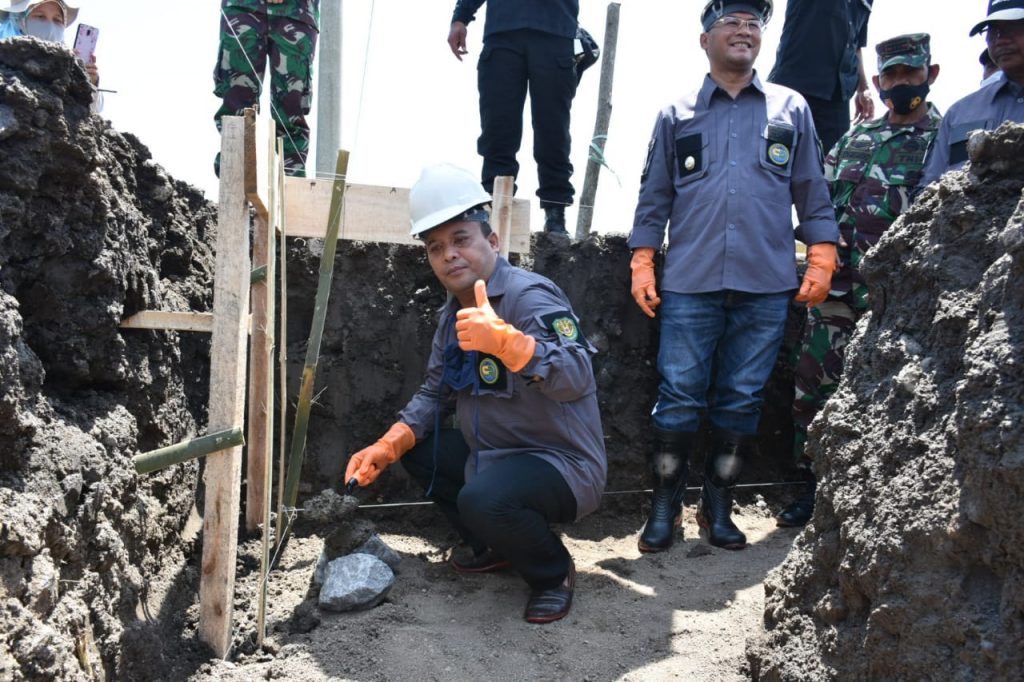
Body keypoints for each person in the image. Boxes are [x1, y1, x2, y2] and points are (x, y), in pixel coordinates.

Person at [344, 163, 606, 623]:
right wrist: (387, 445)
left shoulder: (530, 298)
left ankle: (551, 573)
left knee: (483, 499)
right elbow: (433, 393)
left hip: (561, 463)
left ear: (493, 241)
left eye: (461, 239)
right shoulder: (452, 317)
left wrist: (509, 343)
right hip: (497, 458)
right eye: (436, 247)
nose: (449, 255)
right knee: (420, 453)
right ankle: (495, 545)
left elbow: (577, 375)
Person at [628, 0, 839, 553]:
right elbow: (654, 196)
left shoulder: (791, 108)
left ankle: (717, 506)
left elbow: (812, 191)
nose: (744, 31)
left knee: (741, 400)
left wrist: (821, 253)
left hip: (766, 285)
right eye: (731, 23)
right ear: (705, 40)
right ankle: (664, 506)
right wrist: (643, 258)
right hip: (691, 282)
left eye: (754, 24)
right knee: (678, 397)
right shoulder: (677, 113)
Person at [778, 34, 943, 528]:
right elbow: (819, 203)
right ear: (877, 81)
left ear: (929, 75)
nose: (900, 84)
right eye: (890, 76)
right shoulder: (856, 139)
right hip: (834, 292)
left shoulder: (941, 138)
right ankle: (809, 490)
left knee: (886, 396)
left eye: (910, 74)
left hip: (896, 302)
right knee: (812, 391)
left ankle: (875, 501)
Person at [447, 1, 580, 234]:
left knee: (553, 131)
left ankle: (555, 213)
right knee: (498, 129)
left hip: (554, 32)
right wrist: (460, 18)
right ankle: (494, 206)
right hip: (503, 34)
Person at [919, 0, 1024, 189]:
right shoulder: (960, 113)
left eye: (1012, 27)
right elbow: (929, 189)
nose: (1000, 40)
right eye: (993, 31)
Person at [214, 0, 319, 176]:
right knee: (237, 108)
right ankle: (232, 188)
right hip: (244, 7)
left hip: (296, 12)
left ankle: (292, 191)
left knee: (291, 110)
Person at [768, 0, 875, 155]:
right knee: (777, 163)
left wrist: (863, 88)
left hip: (837, 97)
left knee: (831, 169)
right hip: (794, 89)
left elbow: (856, 43)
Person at [0, 1, 101, 108]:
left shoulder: (68, 65)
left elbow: (89, 112)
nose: (49, 25)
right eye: (40, 16)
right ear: (19, 20)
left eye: (57, 20)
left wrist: (87, 81)